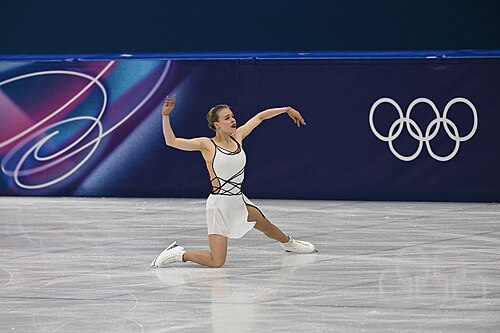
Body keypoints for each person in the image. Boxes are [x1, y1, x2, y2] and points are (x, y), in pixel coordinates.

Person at [151, 95, 316, 268]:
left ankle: (289, 243)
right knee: (217, 261)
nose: (232, 120)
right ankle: (179, 254)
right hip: (219, 206)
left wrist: (286, 109)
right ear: (217, 124)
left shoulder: (238, 137)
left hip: (238, 200)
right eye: (227, 118)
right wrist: (166, 115)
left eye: (232, 116)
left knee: (266, 225)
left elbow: (260, 117)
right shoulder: (206, 144)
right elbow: (172, 141)